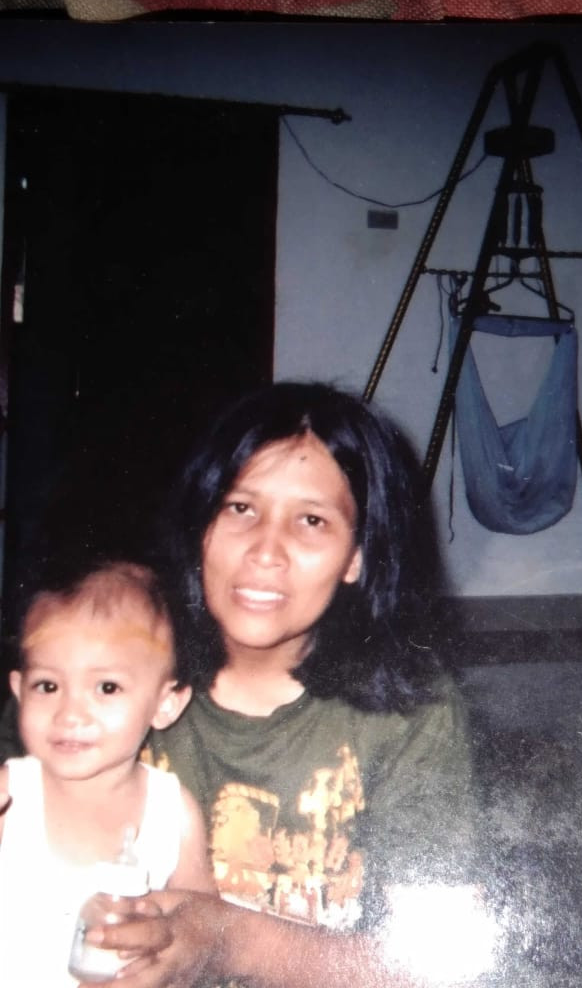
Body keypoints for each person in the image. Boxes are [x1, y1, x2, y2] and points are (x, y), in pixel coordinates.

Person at [73, 381, 497, 987]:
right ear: (201, 524)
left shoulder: (410, 711)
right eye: (240, 508)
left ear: (357, 556)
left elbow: (440, 967)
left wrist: (228, 939)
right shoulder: (98, 670)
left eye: (312, 520)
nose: (266, 550)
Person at [0, 560, 216, 987]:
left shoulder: (172, 813)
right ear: (19, 690)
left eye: (107, 687)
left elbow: (201, 930)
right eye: (48, 686)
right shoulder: (11, 793)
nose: (70, 713)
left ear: (165, 704)